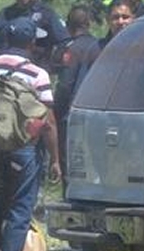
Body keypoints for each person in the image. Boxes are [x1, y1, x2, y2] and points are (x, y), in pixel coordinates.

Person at [0, 17, 61, 251]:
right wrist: (56, 159)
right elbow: (47, 119)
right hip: (23, 148)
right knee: (21, 206)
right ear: (32, 43)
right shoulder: (37, 73)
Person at [54, 5, 100, 188]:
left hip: (72, 115)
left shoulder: (72, 49)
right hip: (97, 113)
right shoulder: (99, 45)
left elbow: (65, 84)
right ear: (89, 23)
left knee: (71, 164)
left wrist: (55, 110)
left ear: (67, 24)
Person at [0, 0, 67, 65]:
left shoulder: (47, 13)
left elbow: (63, 40)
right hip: (4, 64)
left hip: (34, 66)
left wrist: (52, 63)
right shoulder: (4, 14)